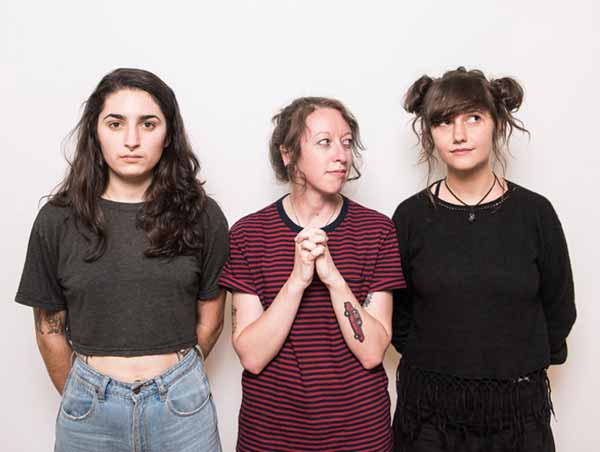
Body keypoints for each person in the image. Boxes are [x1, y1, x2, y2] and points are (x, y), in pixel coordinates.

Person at [15, 68, 227, 452]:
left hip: (182, 407)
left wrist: (175, 379)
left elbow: (211, 319)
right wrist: (87, 395)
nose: (132, 140)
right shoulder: (57, 220)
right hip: (89, 408)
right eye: (115, 124)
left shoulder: (203, 215)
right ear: (96, 133)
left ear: (169, 135)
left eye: (148, 124)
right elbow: (49, 329)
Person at [391, 67, 576, 452]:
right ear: (430, 132)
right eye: (444, 122)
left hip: (517, 417)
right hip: (428, 419)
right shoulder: (410, 217)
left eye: (473, 118)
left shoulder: (535, 213)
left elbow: (559, 308)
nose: (459, 135)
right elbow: (397, 316)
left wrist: (516, 367)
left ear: (497, 123)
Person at [219, 97, 406, 451]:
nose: (341, 155)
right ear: (288, 153)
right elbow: (252, 357)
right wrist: (297, 281)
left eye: (346, 142)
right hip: (271, 436)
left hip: (360, 435)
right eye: (324, 142)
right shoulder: (248, 234)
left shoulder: (377, 231)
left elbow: (372, 352)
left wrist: (334, 279)